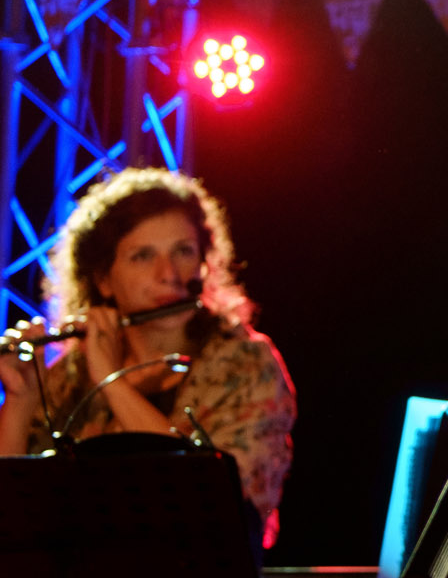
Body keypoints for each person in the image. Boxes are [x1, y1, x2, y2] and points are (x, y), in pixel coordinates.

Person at [0, 167, 297, 551]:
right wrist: (21, 400)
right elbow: (10, 519)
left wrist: (112, 383)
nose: (168, 274)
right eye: (142, 256)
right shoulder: (70, 378)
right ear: (103, 279)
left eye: (183, 251)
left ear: (204, 262)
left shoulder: (247, 365)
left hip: (201, 577)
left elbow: (210, 497)